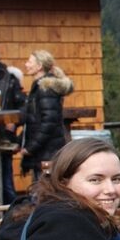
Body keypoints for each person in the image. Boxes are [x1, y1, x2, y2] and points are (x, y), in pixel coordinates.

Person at [20, 49, 73, 180]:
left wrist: (30, 148)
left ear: (39, 66)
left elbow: (48, 123)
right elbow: (33, 121)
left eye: (29, 61)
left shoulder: (45, 89)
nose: (26, 64)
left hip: (48, 153)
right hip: (43, 152)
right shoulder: (39, 87)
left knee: (45, 192)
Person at [0, 44, 26, 203]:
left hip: (3, 136)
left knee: (5, 181)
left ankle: (10, 217)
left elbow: (23, 106)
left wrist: (14, 121)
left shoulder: (8, 78)